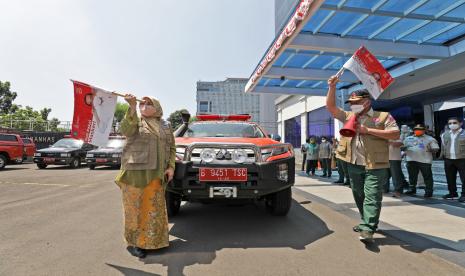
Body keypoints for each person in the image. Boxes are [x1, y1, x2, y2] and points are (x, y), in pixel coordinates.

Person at [326, 75, 400, 243]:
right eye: (351, 103)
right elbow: (331, 107)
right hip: (353, 164)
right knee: (358, 194)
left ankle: (368, 228)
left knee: (372, 196)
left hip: (375, 164)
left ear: (367, 102)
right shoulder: (348, 116)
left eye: (356, 102)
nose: (352, 105)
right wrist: (332, 87)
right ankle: (366, 221)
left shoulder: (383, 116)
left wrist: (369, 130)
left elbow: (395, 134)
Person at [115, 94, 176, 259]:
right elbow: (126, 130)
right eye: (143, 103)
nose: (145, 105)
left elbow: (171, 147)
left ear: (157, 107)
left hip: (157, 174)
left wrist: (171, 167)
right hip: (135, 173)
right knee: (135, 209)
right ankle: (136, 243)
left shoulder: (166, 125)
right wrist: (132, 107)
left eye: (149, 103)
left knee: (154, 209)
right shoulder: (136, 120)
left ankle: (155, 241)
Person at [403, 124, 439, 198]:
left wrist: (432, 149)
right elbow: (402, 147)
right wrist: (402, 149)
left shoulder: (430, 139)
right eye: (416, 129)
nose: (418, 131)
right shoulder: (408, 138)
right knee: (412, 177)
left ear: (424, 130)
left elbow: (436, 149)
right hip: (411, 160)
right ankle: (412, 189)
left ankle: (429, 191)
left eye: (420, 129)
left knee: (427, 177)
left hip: (425, 160)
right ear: (413, 130)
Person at [440, 117, 465, 202]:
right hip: (449, 159)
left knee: (464, 178)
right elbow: (443, 146)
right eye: (450, 123)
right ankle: (452, 193)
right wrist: (442, 156)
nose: (452, 125)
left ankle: (464, 195)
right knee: (450, 178)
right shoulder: (445, 134)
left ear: (460, 123)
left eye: (454, 123)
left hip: (462, 159)